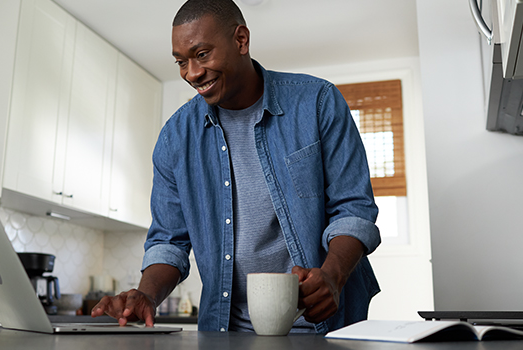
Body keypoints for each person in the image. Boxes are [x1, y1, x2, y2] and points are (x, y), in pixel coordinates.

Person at [92, 0, 381, 334]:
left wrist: (332, 274)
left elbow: (353, 209)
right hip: (226, 330)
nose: (192, 73)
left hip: (325, 321)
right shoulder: (175, 138)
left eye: (201, 54)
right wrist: (146, 294)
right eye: (181, 62)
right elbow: (170, 242)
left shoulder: (317, 102)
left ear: (241, 40)